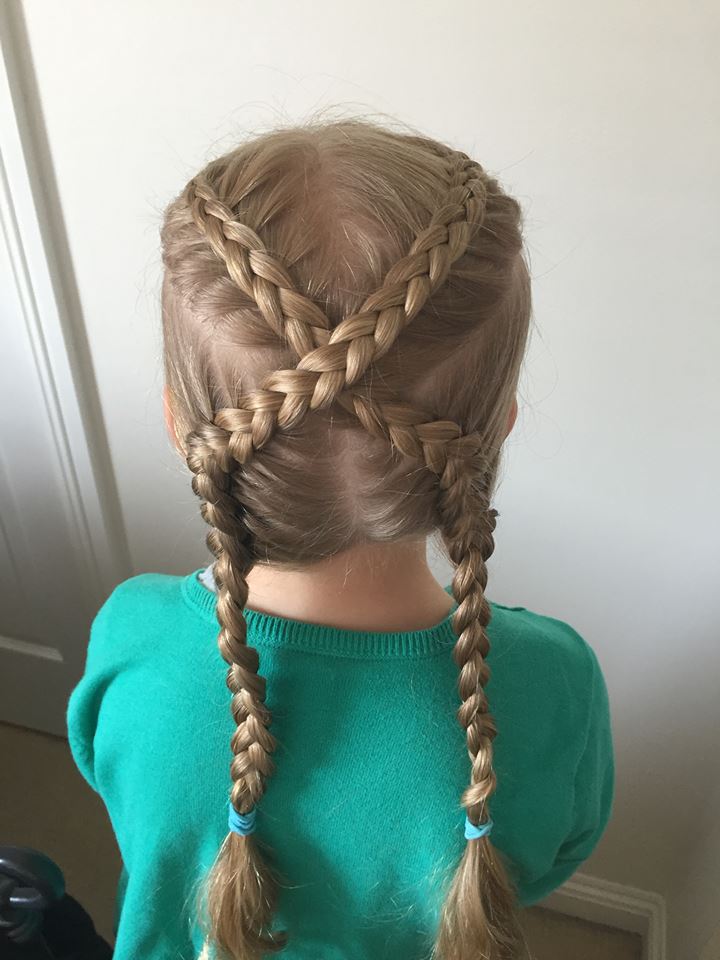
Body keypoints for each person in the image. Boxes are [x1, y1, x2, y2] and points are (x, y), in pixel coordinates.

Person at [67, 117, 614, 960]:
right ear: (494, 432)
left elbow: (118, 790)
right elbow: (544, 862)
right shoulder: (555, 688)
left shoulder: (133, 645)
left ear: (183, 428)